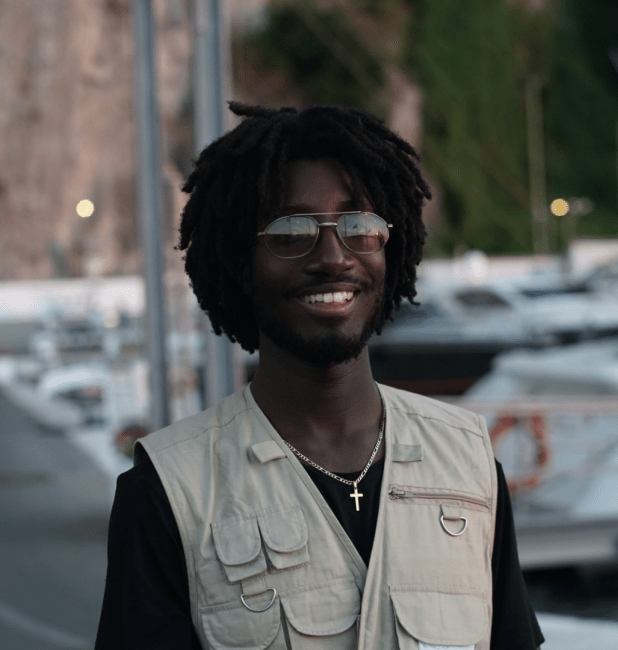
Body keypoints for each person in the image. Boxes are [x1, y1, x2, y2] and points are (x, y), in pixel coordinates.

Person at [95, 103, 544, 650]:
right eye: (290, 231)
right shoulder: (167, 492)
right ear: (241, 260)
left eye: (358, 226)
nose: (334, 256)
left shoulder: (471, 467)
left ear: (389, 247)